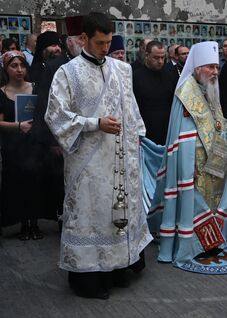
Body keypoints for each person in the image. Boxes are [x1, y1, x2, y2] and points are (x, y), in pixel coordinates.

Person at [45, 12, 152, 299]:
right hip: (88, 163)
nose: (106, 48)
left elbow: (131, 110)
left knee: (118, 211)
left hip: (121, 156)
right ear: (83, 39)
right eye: (100, 42)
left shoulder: (122, 69)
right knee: (93, 215)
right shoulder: (67, 73)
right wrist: (95, 124)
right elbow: (55, 116)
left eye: (109, 42)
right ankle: (91, 280)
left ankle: (119, 269)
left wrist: (136, 142)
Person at [147, 41, 227, 264]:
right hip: (194, 163)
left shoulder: (211, 88)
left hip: (215, 159)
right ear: (197, 68)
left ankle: (213, 242)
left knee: (213, 202)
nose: (215, 72)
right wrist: (188, 167)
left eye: (216, 67)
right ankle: (191, 247)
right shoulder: (187, 92)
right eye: (210, 67)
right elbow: (183, 137)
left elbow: (217, 124)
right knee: (193, 205)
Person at [32, 16, 86, 231]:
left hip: (87, 134)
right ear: (70, 42)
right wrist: (53, 140)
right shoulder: (56, 67)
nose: (84, 45)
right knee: (64, 183)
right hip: (63, 137)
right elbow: (46, 104)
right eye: (80, 41)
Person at [0, 51, 50, 239]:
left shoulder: (35, 88)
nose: (19, 70)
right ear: (6, 68)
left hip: (35, 144)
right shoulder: (2, 92)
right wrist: (18, 126)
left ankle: (35, 223)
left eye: (22, 65)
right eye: (14, 66)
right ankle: (23, 224)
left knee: (36, 181)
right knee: (18, 184)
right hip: (13, 146)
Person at [133, 41, 178, 145]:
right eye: (156, 58)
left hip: (167, 131)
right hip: (145, 133)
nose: (160, 61)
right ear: (147, 55)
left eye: (163, 58)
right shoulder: (136, 77)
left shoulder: (170, 75)